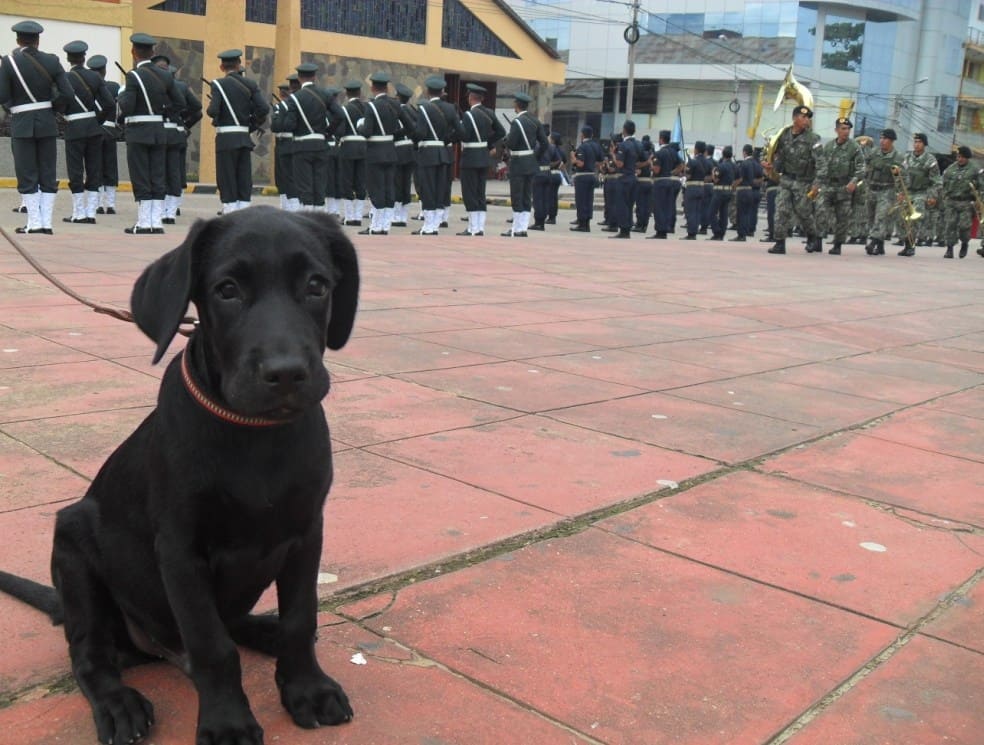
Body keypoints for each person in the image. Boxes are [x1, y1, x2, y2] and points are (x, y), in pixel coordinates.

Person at [0, 20, 73, 234]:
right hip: (47, 122)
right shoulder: (52, 61)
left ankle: (33, 222)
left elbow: (2, 96)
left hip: (22, 123)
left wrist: (15, 105)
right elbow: (67, 94)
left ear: (17, 39)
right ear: (38, 40)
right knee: (48, 172)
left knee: (27, 172)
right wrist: (52, 107)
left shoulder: (9, 61)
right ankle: (47, 223)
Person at [117, 32, 185, 234]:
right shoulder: (165, 75)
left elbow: (127, 107)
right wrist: (162, 112)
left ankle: (144, 222)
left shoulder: (133, 76)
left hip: (138, 131)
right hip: (159, 131)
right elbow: (180, 103)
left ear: (133, 52)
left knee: (141, 176)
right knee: (157, 175)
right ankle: (156, 222)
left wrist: (121, 98)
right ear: (152, 52)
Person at [207, 49, 268, 214]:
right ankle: (244, 209)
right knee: (243, 175)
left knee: (227, 175)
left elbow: (212, 111)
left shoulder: (218, 84)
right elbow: (263, 108)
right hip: (243, 136)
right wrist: (251, 125)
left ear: (222, 67)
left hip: (226, 138)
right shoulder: (251, 84)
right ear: (239, 65)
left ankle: (230, 209)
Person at [60, 40, 115, 225]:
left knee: (75, 171)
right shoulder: (96, 78)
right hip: (93, 129)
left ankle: (79, 213)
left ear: (68, 58)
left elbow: (59, 102)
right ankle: (91, 213)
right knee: (94, 170)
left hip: (74, 128)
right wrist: (96, 121)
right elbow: (109, 104)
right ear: (84, 58)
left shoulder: (65, 78)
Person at [280, 62, 341, 211]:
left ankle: (308, 220)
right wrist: (328, 132)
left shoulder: (294, 98)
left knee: (304, 185)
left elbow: (289, 125)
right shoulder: (325, 94)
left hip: (301, 146)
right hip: (321, 145)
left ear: (300, 78)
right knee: (320, 184)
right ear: (314, 77)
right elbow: (340, 115)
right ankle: (319, 218)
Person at [764, 105, 821, 254]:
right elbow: (780, 157)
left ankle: (812, 236)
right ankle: (780, 243)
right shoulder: (784, 136)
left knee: (803, 212)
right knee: (781, 210)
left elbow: (822, 164)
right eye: (803, 117)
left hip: (804, 181)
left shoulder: (813, 138)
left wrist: (816, 185)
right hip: (787, 179)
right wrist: (771, 166)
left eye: (808, 117)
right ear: (794, 118)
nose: (806, 120)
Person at [153, 55, 202, 225]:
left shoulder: (153, 87)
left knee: (160, 172)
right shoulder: (181, 87)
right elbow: (196, 107)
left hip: (158, 132)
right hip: (176, 133)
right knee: (175, 172)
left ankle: (161, 210)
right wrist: (183, 121)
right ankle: (171, 212)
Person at [456, 82, 505, 236]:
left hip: (471, 157)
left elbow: (463, 135)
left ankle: (472, 227)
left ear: (471, 98)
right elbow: (501, 131)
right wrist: (488, 143)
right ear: (481, 98)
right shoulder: (489, 113)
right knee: (480, 192)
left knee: (470, 192)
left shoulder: (469, 115)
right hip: (484, 157)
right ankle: (480, 227)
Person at [356, 72, 401, 234]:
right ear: (387, 88)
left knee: (376, 188)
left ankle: (376, 226)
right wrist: (394, 133)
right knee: (389, 187)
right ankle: (385, 225)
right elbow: (408, 126)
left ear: (373, 87)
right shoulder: (395, 105)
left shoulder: (372, 106)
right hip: (390, 151)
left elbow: (367, 131)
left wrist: (359, 126)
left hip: (375, 152)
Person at [414, 75, 459, 235]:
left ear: (428, 92)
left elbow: (420, 132)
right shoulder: (450, 109)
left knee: (427, 189)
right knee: (440, 189)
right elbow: (461, 132)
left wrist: (415, 139)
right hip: (443, 153)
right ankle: (436, 224)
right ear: (442, 92)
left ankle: (428, 225)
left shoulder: (424, 109)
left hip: (428, 153)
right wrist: (447, 140)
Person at [814, 117, 864, 255]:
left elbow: (861, 168)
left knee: (842, 217)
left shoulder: (854, 147)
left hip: (844, 187)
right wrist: (817, 184)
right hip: (828, 185)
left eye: (848, 129)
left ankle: (837, 245)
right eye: (843, 129)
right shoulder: (829, 146)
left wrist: (854, 181)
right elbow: (822, 166)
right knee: (820, 211)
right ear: (836, 130)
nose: (846, 132)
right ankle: (817, 241)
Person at [501, 92, 547, 237]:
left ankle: (516, 228)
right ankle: (523, 228)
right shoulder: (535, 121)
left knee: (517, 195)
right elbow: (544, 143)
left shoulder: (517, 122)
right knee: (527, 196)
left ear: (517, 105)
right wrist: (536, 157)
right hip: (531, 162)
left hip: (518, 163)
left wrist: (506, 141)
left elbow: (512, 144)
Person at [86, 54, 121, 215]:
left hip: (93, 130)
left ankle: (98, 203)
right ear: (105, 71)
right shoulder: (114, 87)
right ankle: (111, 204)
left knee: (96, 166)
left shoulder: (85, 88)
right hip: (110, 131)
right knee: (110, 166)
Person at [898, 132, 941, 256]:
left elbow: (936, 180)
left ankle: (911, 246)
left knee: (915, 219)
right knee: (904, 220)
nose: (916, 145)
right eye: (915, 142)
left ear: (924, 144)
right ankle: (907, 244)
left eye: (919, 142)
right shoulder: (906, 158)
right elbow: (900, 177)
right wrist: (900, 192)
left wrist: (933, 196)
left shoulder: (930, 160)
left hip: (921, 193)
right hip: (908, 192)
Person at [863, 128, 904, 256]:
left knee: (880, 217)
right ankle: (880, 246)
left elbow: (904, 176)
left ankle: (873, 243)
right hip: (872, 189)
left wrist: (901, 192)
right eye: (881, 138)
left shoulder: (898, 157)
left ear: (891, 141)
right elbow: (864, 165)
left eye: (885, 139)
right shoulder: (874, 152)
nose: (882, 141)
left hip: (887, 190)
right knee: (871, 218)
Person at [604, 119, 643, 239]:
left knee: (622, 204)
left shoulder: (623, 145)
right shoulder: (638, 144)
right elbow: (643, 160)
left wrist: (613, 155)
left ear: (624, 130)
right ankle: (627, 228)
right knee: (629, 205)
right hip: (633, 177)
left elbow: (620, 164)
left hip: (624, 178)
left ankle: (624, 230)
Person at [337, 80, 367, 225]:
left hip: (348, 147)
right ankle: (358, 216)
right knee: (361, 181)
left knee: (347, 182)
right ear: (359, 93)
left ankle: (349, 217)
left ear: (347, 94)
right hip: (363, 147)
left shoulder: (345, 110)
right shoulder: (367, 108)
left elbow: (340, 131)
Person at [941, 145, 977, 259]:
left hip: (966, 202)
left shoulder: (974, 170)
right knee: (950, 225)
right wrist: (943, 196)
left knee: (964, 226)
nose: (960, 159)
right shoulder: (950, 169)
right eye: (958, 156)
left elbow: (981, 186)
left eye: (962, 157)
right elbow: (944, 184)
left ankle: (964, 243)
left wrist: (979, 201)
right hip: (951, 201)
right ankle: (949, 249)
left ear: (967, 158)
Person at [569, 125, 605, 232]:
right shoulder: (596, 146)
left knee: (581, 200)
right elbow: (601, 161)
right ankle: (586, 223)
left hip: (582, 177)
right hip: (592, 175)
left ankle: (582, 224)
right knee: (589, 200)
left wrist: (573, 157)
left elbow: (580, 163)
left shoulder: (583, 147)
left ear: (582, 134)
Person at [392, 82, 418, 227]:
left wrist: (396, 135)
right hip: (410, 151)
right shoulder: (412, 111)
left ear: (397, 97)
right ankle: (403, 216)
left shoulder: (397, 112)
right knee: (406, 184)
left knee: (397, 183)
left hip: (399, 150)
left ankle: (397, 216)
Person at [649, 129, 678, 239]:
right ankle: (665, 228)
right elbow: (681, 165)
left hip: (660, 182)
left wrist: (651, 163)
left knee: (659, 207)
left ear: (661, 139)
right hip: (669, 180)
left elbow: (656, 170)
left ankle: (660, 231)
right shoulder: (672, 152)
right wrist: (671, 172)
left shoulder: (659, 153)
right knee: (667, 206)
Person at [732, 144, 763, 241]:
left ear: (744, 152)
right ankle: (748, 231)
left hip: (743, 190)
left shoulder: (744, 164)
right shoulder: (756, 164)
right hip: (751, 190)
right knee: (749, 212)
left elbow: (740, 178)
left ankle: (741, 234)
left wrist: (733, 185)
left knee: (740, 213)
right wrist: (753, 182)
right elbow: (761, 178)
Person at [270, 81, 294, 210]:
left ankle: (286, 206)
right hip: (295, 143)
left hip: (283, 144)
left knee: (283, 176)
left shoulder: (281, 107)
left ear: (281, 93)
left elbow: (276, 127)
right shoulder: (296, 105)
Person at [708, 145, 736, 240]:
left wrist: (713, 172)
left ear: (723, 154)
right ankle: (722, 233)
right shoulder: (734, 165)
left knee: (712, 212)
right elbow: (739, 178)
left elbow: (715, 180)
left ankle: (716, 232)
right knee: (724, 213)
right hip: (728, 191)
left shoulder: (721, 166)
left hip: (719, 191)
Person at [682, 141, 709, 240]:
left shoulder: (693, 161)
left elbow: (688, 175)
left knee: (691, 210)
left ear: (696, 149)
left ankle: (691, 233)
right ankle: (695, 230)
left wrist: (685, 169)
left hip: (692, 187)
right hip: (701, 187)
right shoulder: (707, 161)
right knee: (697, 211)